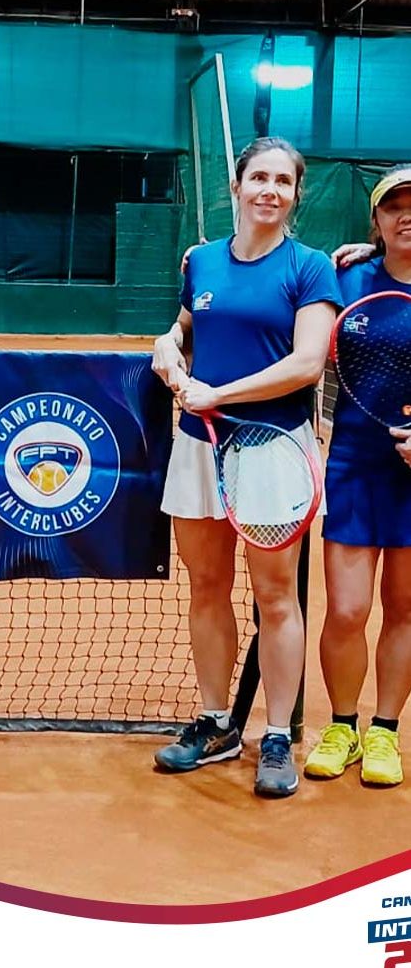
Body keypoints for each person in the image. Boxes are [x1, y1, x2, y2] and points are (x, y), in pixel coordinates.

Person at [152, 136, 342, 798]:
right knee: (206, 586)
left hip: (273, 449)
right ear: (235, 186)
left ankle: (277, 735)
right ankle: (215, 723)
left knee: (275, 597)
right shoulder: (202, 260)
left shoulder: (309, 267)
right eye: (258, 177)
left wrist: (219, 394)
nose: (269, 190)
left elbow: (306, 363)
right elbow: (186, 326)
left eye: (283, 181)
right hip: (197, 446)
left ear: (295, 194)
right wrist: (167, 343)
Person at [305, 166, 411, 787]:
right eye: (394, 206)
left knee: (405, 608)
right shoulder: (346, 278)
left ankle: (384, 732)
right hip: (353, 464)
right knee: (346, 610)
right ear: (376, 220)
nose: (407, 215)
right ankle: (342, 726)